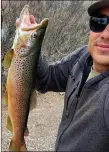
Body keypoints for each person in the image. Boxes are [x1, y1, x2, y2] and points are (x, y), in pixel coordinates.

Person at [34, 0, 109, 151]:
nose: (106, 35)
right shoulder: (82, 57)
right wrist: (29, 44)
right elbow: (47, 78)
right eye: (99, 22)